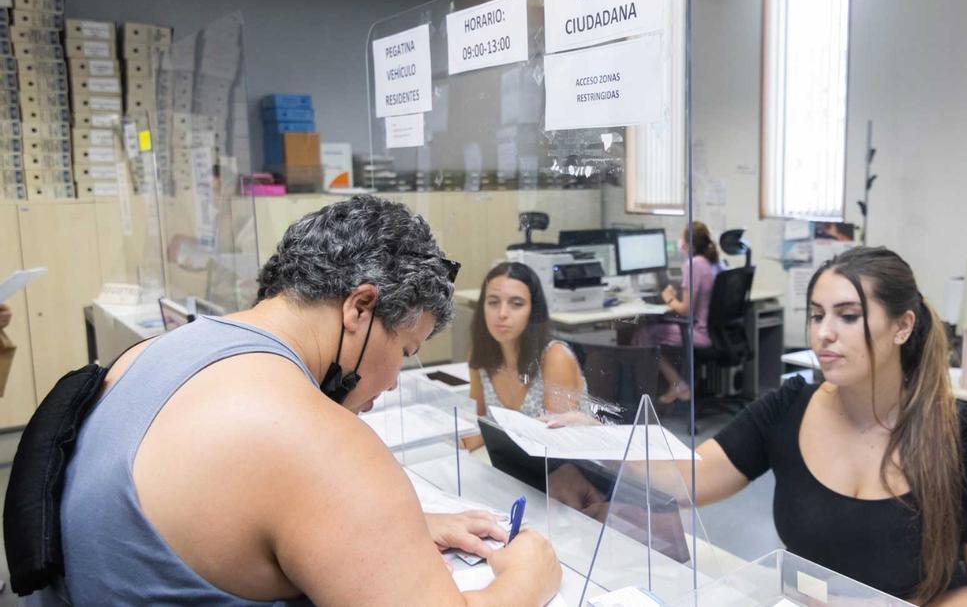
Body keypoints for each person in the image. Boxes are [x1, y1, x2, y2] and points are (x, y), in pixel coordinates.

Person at [59, 196, 561, 605]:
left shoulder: (152, 354)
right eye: (405, 350)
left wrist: (375, 534)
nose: (390, 384)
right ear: (359, 307)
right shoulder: (315, 440)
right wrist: (525, 581)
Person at [686, 247, 967, 604]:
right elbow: (690, 478)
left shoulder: (966, 436)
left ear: (903, 326)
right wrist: (623, 440)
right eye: (817, 316)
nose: (824, 333)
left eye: (848, 316)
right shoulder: (789, 407)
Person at [468, 262, 585, 420]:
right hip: (502, 446)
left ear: (534, 311)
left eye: (516, 304)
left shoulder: (556, 357)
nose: (502, 313)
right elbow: (476, 425)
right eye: (493, 302)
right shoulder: (481, 353)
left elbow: (558, 439)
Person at [633, 221, 720, 404]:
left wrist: (669, 298)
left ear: (688, 244)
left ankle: (675, 386)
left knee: (643, 334)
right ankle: (675, 385)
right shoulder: (713, 263)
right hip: (712, 332)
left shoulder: (693, 264)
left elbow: (686, 310)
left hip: (697, 333)